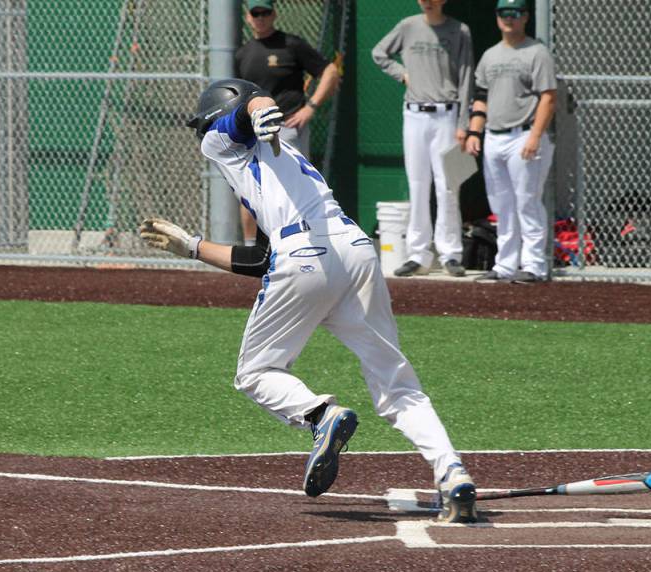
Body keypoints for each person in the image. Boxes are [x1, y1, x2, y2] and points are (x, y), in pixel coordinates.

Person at [138, 78, 477, 523]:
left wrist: (259, 107)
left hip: (305, 254)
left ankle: (320, 415)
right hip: (354, 248)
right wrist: (194, 247)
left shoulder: (223, 142)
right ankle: (451, 471)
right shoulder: (282, 163)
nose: (201, 135)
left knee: (256, 372)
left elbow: (243, 111)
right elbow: (261, 258)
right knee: (396, 383)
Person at [372, 0, 473, 278]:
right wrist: (402, 74)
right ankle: (418, 254)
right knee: (418, 184)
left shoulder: (458, 30)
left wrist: (464, 123)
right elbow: (379, 53)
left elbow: (466, 77)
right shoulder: (408, 26)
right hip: (415, 113)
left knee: (448, 185)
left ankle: (450, 253)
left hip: (447, 114)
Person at [234, 0, 341, 247]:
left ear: (274, 14)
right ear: (248, 18)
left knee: (293, 187)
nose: (260, 17)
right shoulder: (243, 53)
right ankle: (252, 248)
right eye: (255, 13)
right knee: (249, 189)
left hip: (286, 129)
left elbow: (330, 72)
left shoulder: (291, 45)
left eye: (265, 12)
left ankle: (302, 242)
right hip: (252, 132)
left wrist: (310, 108)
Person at [465, 0, 557, 283]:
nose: (509, 18)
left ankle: (534, 265)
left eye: (515, 13)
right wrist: (474, 132)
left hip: (524, 134)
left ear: (525, 17)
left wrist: (535, 136)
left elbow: (549, 97)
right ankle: (505, 265)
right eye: (504, 13)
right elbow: (481, 97)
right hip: (494, 136)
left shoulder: (537, 52)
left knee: (527, 202)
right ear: (497, 17)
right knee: (501, 205)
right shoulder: (490, 55)